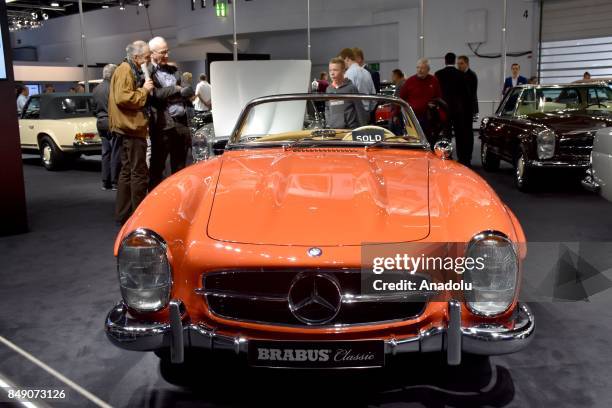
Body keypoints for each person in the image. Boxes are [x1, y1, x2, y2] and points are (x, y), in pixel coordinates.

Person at [109, 40, 155, 224]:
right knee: (137, 172)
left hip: (129, 128)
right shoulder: (126, 70)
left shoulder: (125, 69)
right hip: (131, 128)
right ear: (136, 57)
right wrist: (144, 90)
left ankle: (125, 214)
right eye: (146, 57)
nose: (148, 59)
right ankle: (138, 215)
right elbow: (123, 97)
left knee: (128, 171)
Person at [148, 36, 195, 190]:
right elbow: (155, 94)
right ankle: (155, 199)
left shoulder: (174, 70)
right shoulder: (148, 73)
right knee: (159, 165)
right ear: (152, 53)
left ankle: (178, 197)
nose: (167, 55)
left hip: (181, 121)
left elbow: (188, 91)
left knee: (181, 164)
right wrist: (176, 89)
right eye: (162, 52)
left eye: (167, 51)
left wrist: (182, 90)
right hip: (163, 124)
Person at [435, 52, 472, 166]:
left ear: (445, 61)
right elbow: (466, 94)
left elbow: (436, 92)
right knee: (460, 135)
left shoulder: (438, 74)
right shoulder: (460, 74)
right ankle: (462, 159)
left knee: (445, 134)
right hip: (458, 110)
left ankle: (446, 155)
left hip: (443, 109)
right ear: (454, 60)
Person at [400, 59, 442, 145]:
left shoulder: (433, 80)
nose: (419, 70)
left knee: (429, 141)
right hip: (413, 118)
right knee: (414, 141)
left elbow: (438, 97)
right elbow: (401, 98)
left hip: (428, 118)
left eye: (422, 68)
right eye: (418, 67)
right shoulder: (410, 81)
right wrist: (396, 114)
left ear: (428, 69)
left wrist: (434, 103)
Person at [92, 63, 120, 191]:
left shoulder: (96, 88)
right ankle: (115, 182)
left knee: (105, 153)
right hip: (112, 122)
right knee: (115, 152)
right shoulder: (113, 88)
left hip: (100, 122)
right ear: (114, 74)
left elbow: (93, 109)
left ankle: (105, 182)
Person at [325, 57, 368, 129]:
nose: (332, 73)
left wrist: (363, 129)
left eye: (335, 70)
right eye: (330, 70)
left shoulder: (351, 88)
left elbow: (360, 110)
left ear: (343, 71)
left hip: (349, 130)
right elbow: (327, 109)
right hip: (334, 131)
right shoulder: (328, 89)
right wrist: (329, 123)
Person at [457, 55, 478, 120]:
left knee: (467, 128)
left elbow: (472, 93)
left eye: (461, 63)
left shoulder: (472, 75)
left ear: (467, 64)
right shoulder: (457, 74)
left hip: (468, 106)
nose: (459, 66)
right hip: (459, 107)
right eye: (458, 64)